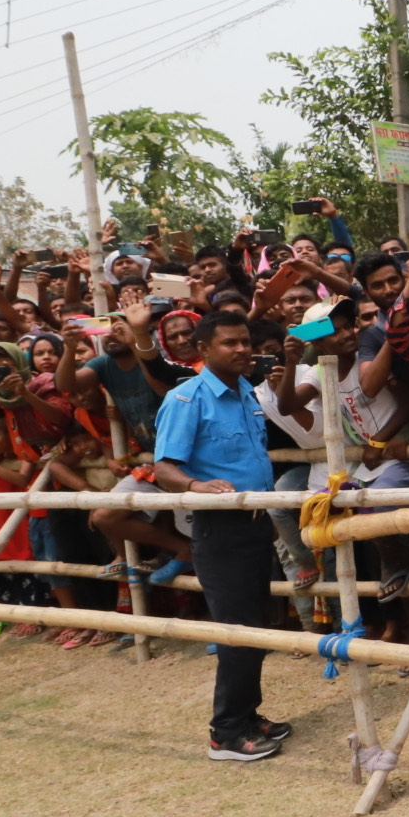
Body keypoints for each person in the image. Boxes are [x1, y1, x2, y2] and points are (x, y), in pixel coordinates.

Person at [150, 308, 287, 763]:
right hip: (219, 527)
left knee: (256, 626)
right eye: (230, 343)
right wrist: (195, 485)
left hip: (256, 522)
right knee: (236, 631)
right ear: (202, 350)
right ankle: (225, 732)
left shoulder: (248, 391)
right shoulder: (187, 399)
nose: (242, 349)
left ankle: (248, 716)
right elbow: (163, 467)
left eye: (245, 341)